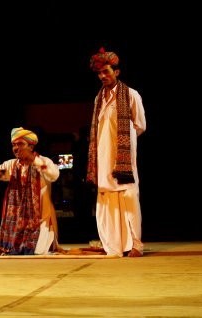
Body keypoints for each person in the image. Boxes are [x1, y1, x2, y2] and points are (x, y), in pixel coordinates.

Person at [87, 47, 147, 257]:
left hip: (123, 162)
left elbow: (139, 126)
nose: (102, 76)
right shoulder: (98, 99)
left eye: (106, 72)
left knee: (129, 200)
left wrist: (122, 148)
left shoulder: (131, 95)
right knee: (107, 204)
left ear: (117, 72)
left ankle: (136, 245)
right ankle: (113, 246)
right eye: (99, 73)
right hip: (102, 160)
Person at [0, 127, 61, 255]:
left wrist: (33, 159)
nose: (16, 148)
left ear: (31, 147)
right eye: (14, 144)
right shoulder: (12, 165)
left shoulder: (42, 161)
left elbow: (54, 175)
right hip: (16, 220)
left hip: (38, 220)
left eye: (20, 144)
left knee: (36, 251)